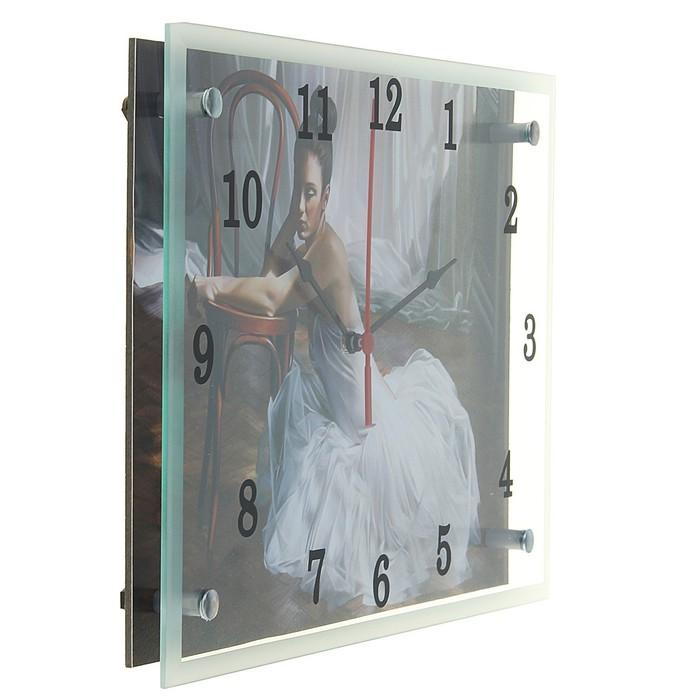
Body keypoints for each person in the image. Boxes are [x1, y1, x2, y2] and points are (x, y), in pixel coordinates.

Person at [192, 90, 480, 610]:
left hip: (360, 413)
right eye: (296, 193)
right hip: (344, 385)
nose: (301, 207)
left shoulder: (327, 250)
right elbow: (268, 273)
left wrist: (215, 284)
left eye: (311, 195)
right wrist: (281, 238)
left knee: (381, 511)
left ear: (327, 196)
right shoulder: (302, 226)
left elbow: (272, 296)